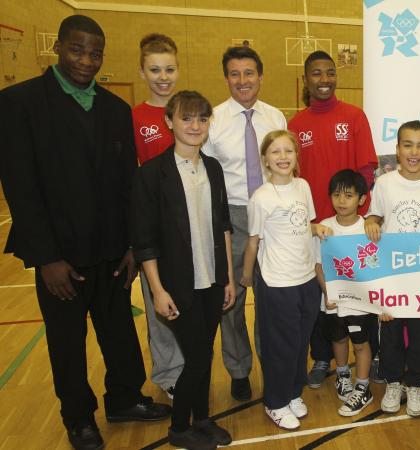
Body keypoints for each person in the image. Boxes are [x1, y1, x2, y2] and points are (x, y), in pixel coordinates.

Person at [0, 15, 170, 450]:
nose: (85, 61)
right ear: (57, 47)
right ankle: (78, 419)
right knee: (67, 343)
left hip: (113, 250)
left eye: (95, 53)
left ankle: (125, 398)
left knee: (118, 332)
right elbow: (20, 186)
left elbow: (127, 184)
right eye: (77, 50)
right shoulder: (20, 103)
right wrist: (46, 258)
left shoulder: (115, 110)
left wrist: (133, 243)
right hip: (61, 256)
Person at [132, 90, 235, 450]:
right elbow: (145, 240)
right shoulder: (151, 174)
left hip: (211, 281)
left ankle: (202, 420)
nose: (195, 125)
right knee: (196, 358)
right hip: (177, 285)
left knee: (204, 353)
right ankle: (179, 429)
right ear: (169, 121)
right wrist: (158, 291)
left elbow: (223, 226)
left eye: (202, 118)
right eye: (187, 118)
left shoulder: (213, 168)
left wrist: (228, 279)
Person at [287, 50, 378, 388]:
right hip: (315, 226)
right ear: (306, 79)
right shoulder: (295, 125)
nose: (323, 79)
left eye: (329, 73)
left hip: (349, 225)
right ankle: (322, 356)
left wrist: (356, 213)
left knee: (358, 290)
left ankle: (370, 355)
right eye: (316, 73)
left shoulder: (354, 116)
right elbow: (291, 176)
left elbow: (366, 171)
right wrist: (308, 221)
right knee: (319, 293)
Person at [202, 46, 287, 401]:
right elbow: (206, 176)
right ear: (226, 79)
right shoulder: (214, 120)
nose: (242, 81)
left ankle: (274, 366)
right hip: (234, 217)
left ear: (261, 76)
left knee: (273, 297)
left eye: (248, 73)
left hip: (272, 216)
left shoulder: (276, 117)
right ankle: (238, 370)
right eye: (234, 74)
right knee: (231, 299)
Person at [240, 130, 332, 430]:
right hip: (277, 282)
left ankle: (293, 392)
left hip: (305, 278)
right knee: (280, 345)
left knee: (300, 341)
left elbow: (304, 224)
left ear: (296, 156)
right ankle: (275, 402)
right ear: (265, 159)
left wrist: (316, 228)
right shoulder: (261, 197)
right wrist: (245, 277)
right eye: (275, 152)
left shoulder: (303, 186)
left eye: (288, 151)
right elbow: (253, 241)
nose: (282, 157)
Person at [364, 120, 420, 418]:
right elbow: (375, 215)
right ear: (397, 150)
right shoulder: (385, 183)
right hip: (392, 276)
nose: (414, 151)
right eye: (408, 145)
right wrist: (371, 222)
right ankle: (393, 382)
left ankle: (415, 384)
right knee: (392, 334)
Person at [131, 32, 183, 399]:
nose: (162, 76)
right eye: (154, 69)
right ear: (142, 71)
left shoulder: (189, 112)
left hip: (190, 224)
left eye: (169, 69)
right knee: (158, 303)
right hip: (154, 227)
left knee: (189, 302)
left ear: (178, 70)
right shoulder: (133, 117)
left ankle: (193, 367)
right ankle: (169, 376)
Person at [314, 169, 378, 417]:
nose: (342, 201)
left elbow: (376, 266)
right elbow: (318, 264)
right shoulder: (325, 228)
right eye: (337, 195)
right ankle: (343, 375)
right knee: (338, 340)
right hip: (332, 301)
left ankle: (363, 387)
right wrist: (327, 292)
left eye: (349, 195)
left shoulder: (368, 228)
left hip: (360, 304)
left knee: (361, 344)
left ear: (362, 199)